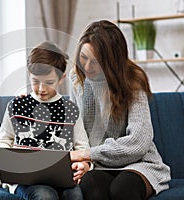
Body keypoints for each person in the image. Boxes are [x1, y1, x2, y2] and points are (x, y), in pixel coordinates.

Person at [69, 20, 171, 200]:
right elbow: (77, 131)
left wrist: (87, 154)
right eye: (83, 58)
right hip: (98, 165)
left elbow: (139, 142)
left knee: (122, 189)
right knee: (92, 187)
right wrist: (86, 162)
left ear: (112, 61)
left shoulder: (132, 79)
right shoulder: (77, 80)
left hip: (138, 163)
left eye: (96, 61)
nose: (86, 67)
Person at [0, 41, 91, 200]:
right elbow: (3, 141)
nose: (41, 89)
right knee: (45, 195)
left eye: (49, 82)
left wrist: (84, 165)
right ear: (28, 74)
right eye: (35, 81)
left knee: (75, 195)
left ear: (61, 78)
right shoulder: (17, 105)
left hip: (62, 180)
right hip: (25, 181)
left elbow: (82, 147)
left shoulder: (71, 110)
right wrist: (9, 161)